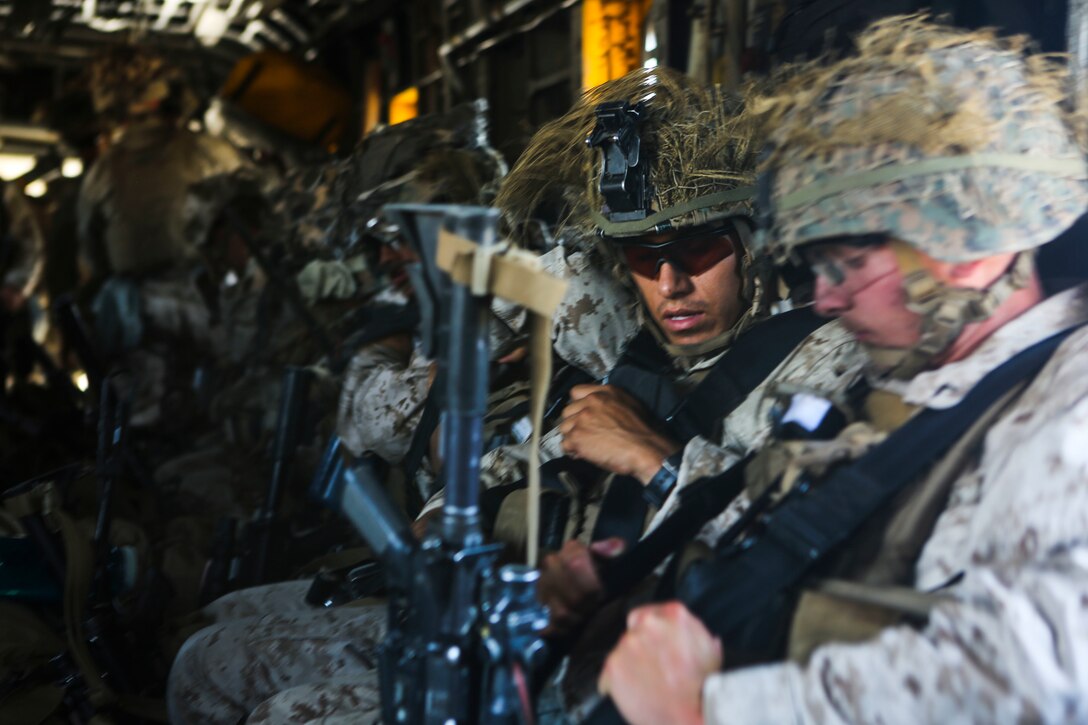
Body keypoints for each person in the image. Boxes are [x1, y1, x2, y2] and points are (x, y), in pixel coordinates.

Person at [598, 15, 1088, 724]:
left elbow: (1042, 668)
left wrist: (712, 709)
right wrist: (616, 569)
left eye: (850, 263)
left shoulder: (1066, 412)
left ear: (966, 250)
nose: (825, 297)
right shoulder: (914, 385)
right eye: (818, 267)